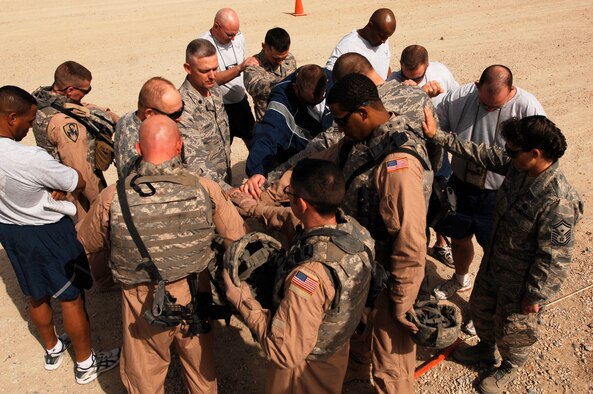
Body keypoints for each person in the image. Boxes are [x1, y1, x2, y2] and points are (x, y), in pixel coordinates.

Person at [76, 115, 248, 393]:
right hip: (194, 290)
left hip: (140, 297)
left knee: (144, 373)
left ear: (138, 149)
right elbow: (236, 238)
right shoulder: (206, 189)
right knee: (200, 368)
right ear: (179, 146)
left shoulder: (112, 197)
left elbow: (87, 242)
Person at [421, 112, 583, 394]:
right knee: (481, 310)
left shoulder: (559, 201)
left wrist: (535, 296)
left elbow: (555, 258)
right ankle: (486, 349)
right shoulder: (520, 167)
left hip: (521, 282)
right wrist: (438, 136)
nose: (507, 155)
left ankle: (509, 366)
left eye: (512, 150)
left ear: (535, 153)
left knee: (515, 329)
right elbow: (479, 153)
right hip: (495, 263)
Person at [0, 85, 120, 385]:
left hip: (11, 231)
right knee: (70, 298)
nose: (29, 129)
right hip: (48, 231)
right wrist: (58, 182)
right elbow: (75, 179)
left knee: (35, 292)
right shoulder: (29, 159)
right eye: (28, 122)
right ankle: (85, 364)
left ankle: (53, 349)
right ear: (11, 117)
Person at [223, 158, 374, 394]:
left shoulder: (308, 278)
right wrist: (251, 206)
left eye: (289, 193)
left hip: (304, 369)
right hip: (335, 348)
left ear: (302, 204)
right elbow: (287, 218)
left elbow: (285, 353)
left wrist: (241, 299)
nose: (287, 197)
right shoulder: (355, 231)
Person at [433, 65, 546, 301]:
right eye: (485, 104)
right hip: (461, 186)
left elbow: (540, 154)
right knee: (459, 237)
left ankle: (483, 302)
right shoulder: (460, 97)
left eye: (496, 107)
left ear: (511, 90)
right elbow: (437, 124)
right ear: (477, 86)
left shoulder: (528, 107)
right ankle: (461, 278)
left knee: (495, 250)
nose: (489, 109)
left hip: (499, 193)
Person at [391, 44, 460, 267]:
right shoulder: (392, 82)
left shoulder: (440, 72)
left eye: (418, 76)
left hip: (436, 150)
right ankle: (418, 250)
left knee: (441, 196)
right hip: (410, 154)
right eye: (406, 73)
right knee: (416, 202)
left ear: (427, 67)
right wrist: (411, 93)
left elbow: (456, 99)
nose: (412, 78)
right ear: (400, 66)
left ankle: (442, 243)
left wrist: (441, 93)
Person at [32, 61, 119, 220]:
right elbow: (81, 169)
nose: (87, 93)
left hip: (58, 185)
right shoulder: (66, 124)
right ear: (70, 90)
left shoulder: (44, 102)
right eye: (86, 90)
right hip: (77, 196)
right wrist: (100, 203)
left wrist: (111, 116)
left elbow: (78, 107)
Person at [242, 65, 333, 194]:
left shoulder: (333, 82)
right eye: (308, 103)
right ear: (296, 88)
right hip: (296, 160)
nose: (313, 106)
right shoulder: (282, 97)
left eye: (318, 101)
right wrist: (257, 170)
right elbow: (268, 133)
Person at [179, 38, 233, 190]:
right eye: (204, 71)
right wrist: (228, 191)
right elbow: (195, 161)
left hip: (224, 177)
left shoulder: (214, 88)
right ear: (187, 68)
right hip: (206, 188)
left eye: (215, 69)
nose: (212, 76)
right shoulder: (182, 107)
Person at [201, 8, 259, 144]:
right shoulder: (204, 45)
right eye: (229, 34)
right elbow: (212, 80)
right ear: (216, 26)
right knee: (222, 150)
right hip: (220, 108)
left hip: (240, 102)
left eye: (235, 33)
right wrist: (239, 68)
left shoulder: (238, 37)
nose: (233, 38)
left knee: (254, 142)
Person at [114, 77, 184, 179]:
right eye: (174, 115)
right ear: (150, 113)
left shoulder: (134, 118)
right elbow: (135, 182)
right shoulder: (131, 139)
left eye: (182, 109)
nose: (180, 118)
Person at [325, 8, 396, 80]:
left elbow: (385, 62)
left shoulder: (382, 39)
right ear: (370, 26)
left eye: (387, 37)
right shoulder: (347, 45)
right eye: (381, 36)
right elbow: (329, 75)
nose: (384, 41)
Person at [244, 27, 297, 121]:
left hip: (291, 121)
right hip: (269, 125)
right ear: (264, 46)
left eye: (283, 57)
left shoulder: (289, 58)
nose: (280, 62)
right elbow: (258, 88)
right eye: (275, 58)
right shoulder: (253, 68)